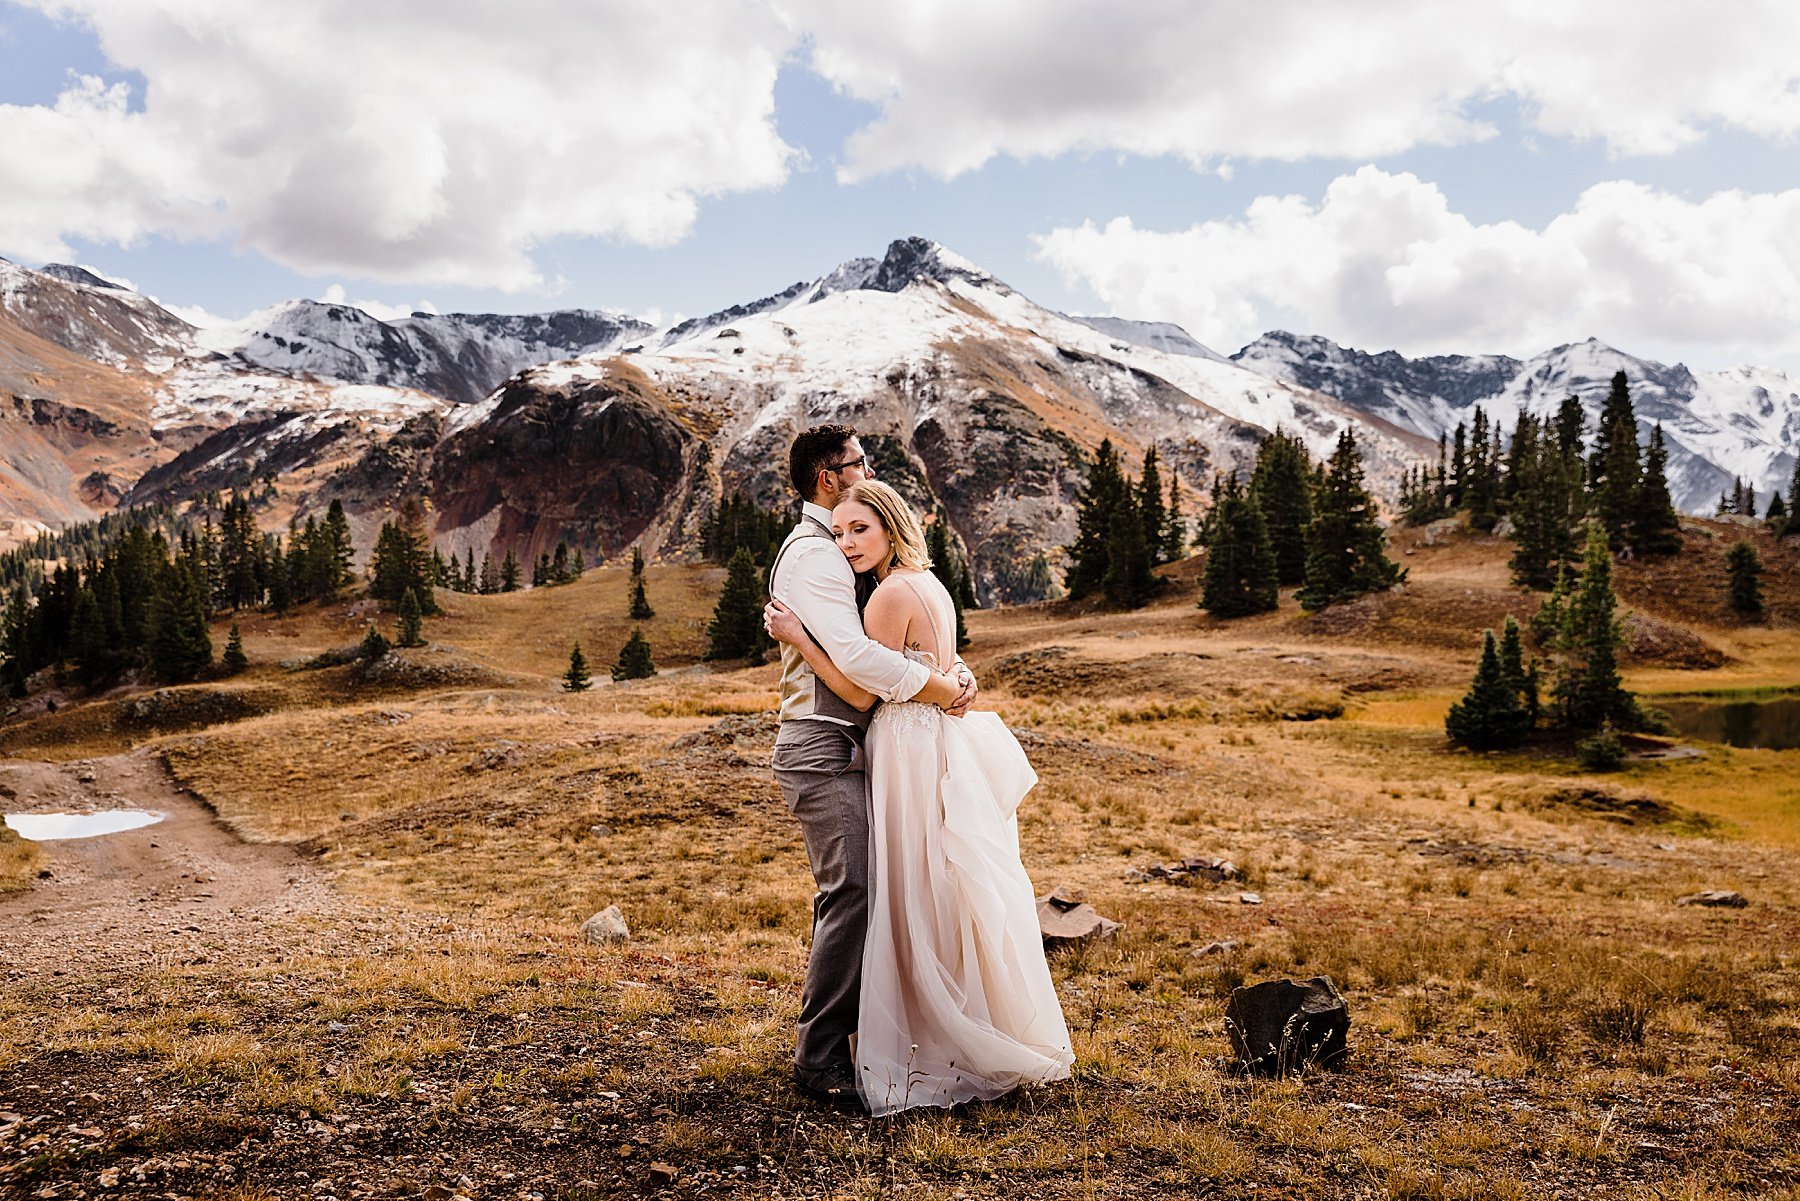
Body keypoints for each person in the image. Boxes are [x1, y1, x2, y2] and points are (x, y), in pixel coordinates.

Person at [767, 478, 1073, 1116]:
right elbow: (944, 668)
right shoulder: (930, 584)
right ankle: (954, 1019)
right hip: (934, 742)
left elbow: (858, 693)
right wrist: (953, 679)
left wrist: (799, 638)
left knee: (903, 891)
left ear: (890, 527)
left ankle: (916, 1035)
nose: (847, 543)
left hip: (905, 746)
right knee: (937, 885)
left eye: (862, 530)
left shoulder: (887, 594)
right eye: (842, 531)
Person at [767, 425, 977, 1110]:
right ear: (831, 476)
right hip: (822, 741)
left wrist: (948, 670)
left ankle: (864, 1040)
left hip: (851, 743)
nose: (871, 468)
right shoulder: (817, 555)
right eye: (862, 463)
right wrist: (943, 688)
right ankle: (820, 1055)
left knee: (875, 889)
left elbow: (898, 644)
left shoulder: (844, 555)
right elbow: (859, 668)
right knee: (853, 890)